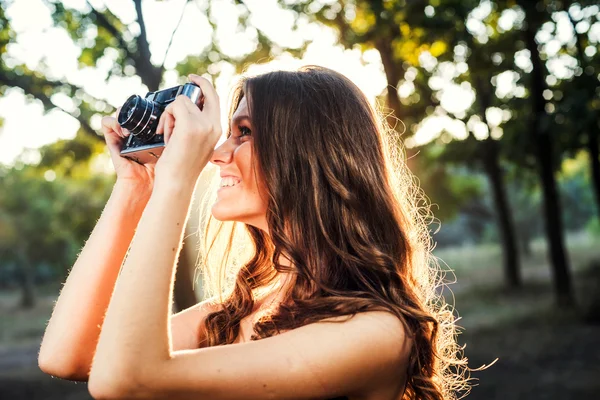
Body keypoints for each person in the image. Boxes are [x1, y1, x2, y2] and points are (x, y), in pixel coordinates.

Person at [39, 66, 470, 399]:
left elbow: (125, 380)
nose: (218, 153)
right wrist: (134, 190)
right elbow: (66, 356)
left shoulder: (377, 332)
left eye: (243, 133)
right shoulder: (234, 313)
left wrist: (176, 183)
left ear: (307, 155)